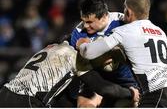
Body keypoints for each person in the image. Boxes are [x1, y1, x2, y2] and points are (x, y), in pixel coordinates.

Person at [77, 0, 167, 107]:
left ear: (128, 12)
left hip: (156, 93)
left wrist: (82, 44)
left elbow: (88, 52)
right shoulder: (160, 32)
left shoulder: (125, 30)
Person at [0, 41, 138, 107]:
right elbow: (104, 88)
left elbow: (61, 98)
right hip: (28, 102)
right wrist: (131, 93)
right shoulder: (75, 57)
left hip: (5, 93)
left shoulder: (53, 48)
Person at [70, 0, 139, 107]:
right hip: (96, 81)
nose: (85, 26)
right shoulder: (78, 34)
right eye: (83, 21)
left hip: (127, 82)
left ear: (104, 16)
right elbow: (82, 69)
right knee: (85, 105)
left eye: (90, 22)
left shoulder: (124, 23)